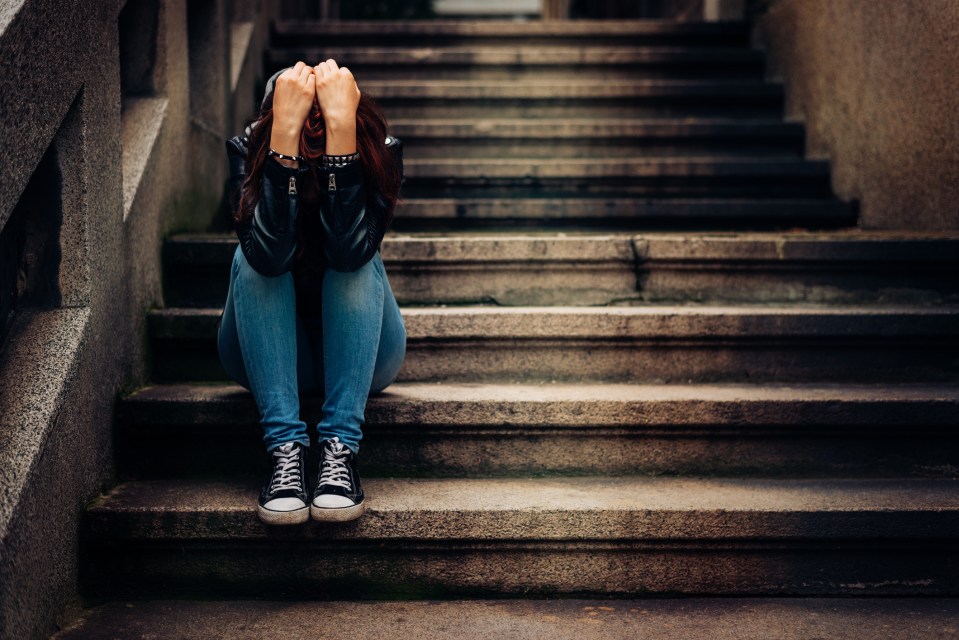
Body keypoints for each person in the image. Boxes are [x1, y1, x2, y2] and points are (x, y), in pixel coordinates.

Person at [217, 60, 406, 525]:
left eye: (326, 128)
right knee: (254, 259)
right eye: (306, 131)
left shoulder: (379, 152)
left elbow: (347, 252)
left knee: (357, 259)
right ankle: (286, 452)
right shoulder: (248, 151)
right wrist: (282, 146)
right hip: (265, 355)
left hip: (367, 355)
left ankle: (339, 451)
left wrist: (343, 145)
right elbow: (269, 256)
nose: (314, 143)